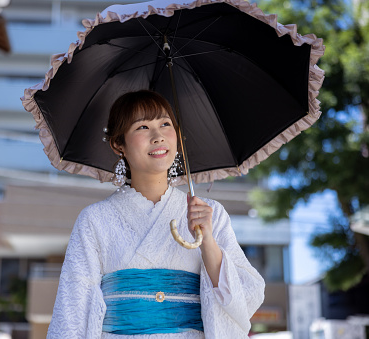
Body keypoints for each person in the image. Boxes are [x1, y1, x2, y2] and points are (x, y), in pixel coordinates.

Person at [46, 90, 265, 338]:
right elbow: (72, 309)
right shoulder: (94, 220)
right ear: (119, 144)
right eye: (142, 127)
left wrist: (209, 244)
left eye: (165, 124)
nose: (158, 136)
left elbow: (248, 299)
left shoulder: (210, 214)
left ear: (178, 137)